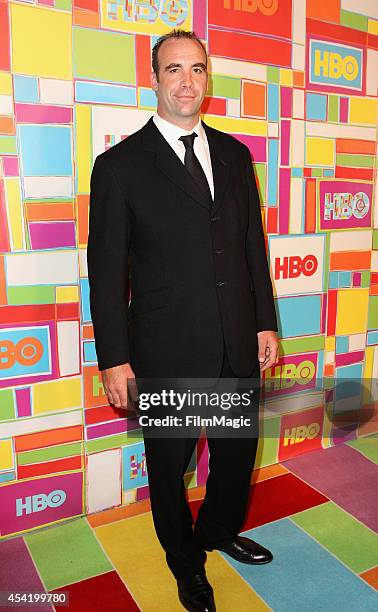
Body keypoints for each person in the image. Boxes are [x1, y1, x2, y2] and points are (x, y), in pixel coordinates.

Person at [87, 29, 279, 612]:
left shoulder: (235, 154)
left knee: (235, 453)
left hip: (235, 339)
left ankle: (218, 531)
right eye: (174, 70)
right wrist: (115, 358)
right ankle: (183, 556)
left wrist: (264, 322)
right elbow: (106, 271)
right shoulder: (119, 167)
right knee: (170, 468)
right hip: (166, 348)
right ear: (154, 79)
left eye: (197, 69)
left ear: (208, 78)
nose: (187, 81)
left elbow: (252, 246)